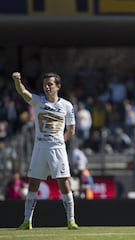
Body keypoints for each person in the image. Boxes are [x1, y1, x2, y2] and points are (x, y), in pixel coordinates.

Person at [11, 72, 79, 230]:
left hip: (57, 149)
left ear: (58, 86)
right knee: (33, 183)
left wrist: (62, 140)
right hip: (40, 148)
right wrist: (17, 80)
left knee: (64, 183)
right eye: (45, 85)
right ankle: (27, 220)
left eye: (50, 84)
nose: (47, 87)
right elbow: (23, 92)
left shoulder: (67, 106)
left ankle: (71, 220)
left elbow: (71, 130)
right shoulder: (38, 101)